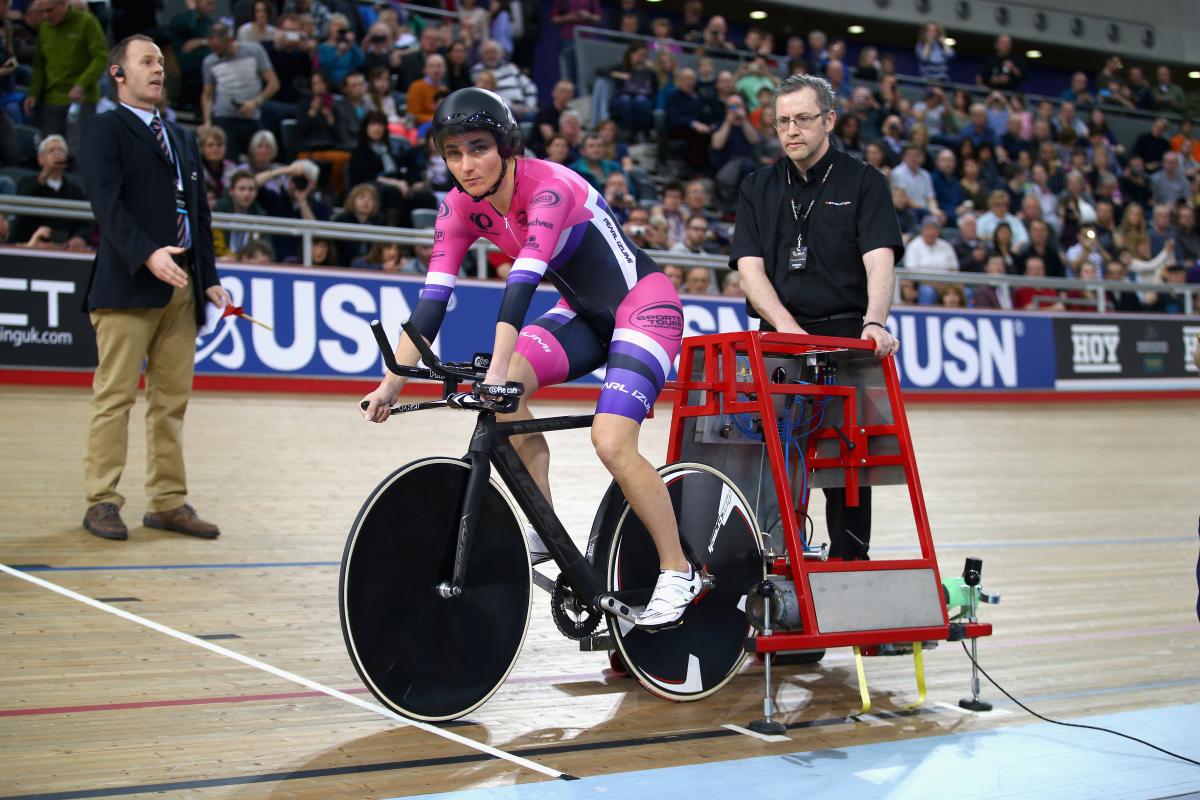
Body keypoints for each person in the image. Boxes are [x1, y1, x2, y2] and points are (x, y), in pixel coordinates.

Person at [359, 88, 695, 628]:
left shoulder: (548, 187)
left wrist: (495, 371)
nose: (466, 166)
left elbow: (521, 283)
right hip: (582, 312)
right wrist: (391, 382)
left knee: (609, 441)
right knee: (508, 385)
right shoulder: (457, 207)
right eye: (453, 154)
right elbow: (432, 300)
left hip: (644, 306)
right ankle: (545, 520)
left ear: (506, 145)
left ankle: (678, 569)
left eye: (478, 148)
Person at [730, 74, 902, 561]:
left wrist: (874, 322)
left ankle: (850, 560)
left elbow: (879, 257)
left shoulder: (864, 181)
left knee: (850, 464)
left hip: (847, 338)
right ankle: (773, 560)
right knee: (772, 457)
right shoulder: (757, 186)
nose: (791, 130)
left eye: (802, 119)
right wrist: (787, 330)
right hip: (781, 339)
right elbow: (749, 268)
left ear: (828, 120)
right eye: (782, 121)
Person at [78, 35, 230, 541]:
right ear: (118, 73)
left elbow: (200, 213)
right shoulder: (104, 129)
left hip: (182, 286)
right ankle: (101, 500)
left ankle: (166, 501)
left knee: (171, 402)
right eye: (147, 61)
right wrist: (147, 252)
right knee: (115, 397)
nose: (159, 69)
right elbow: (108, 205)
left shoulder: (181, 136)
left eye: (162, 62)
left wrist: (209, 279)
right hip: (127, 283)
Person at [23, 0, 107, 155]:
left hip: (82, 99)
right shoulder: (45, 27)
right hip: (52, 98)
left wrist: (81, 84)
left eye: (50, 10)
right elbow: (39, 65)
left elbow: (100, 57)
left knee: (77, 150)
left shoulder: (87, 22)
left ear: (63, 4)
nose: (46, 15)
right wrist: (33, 93)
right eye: (42, 11)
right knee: (52, 150)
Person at [201, 23, 280, 162]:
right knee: (229, 161)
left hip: (251, 115)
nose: (216, 53)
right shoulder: (209, 62)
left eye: (219, 49)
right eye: (213, 49)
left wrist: (255, 103)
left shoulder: (254, 51)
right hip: (224, 117)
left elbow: (274, 84)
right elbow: (207, 94)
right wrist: (207, 121)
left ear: (230, 41)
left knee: (260, 156)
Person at [10, 134, 92, 249]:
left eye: (61, 151)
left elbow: (86, 223)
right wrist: (44, 177)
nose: (57, 154)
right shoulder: (26, 183)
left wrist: (79, 238)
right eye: (52, 150)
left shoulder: (75, 190)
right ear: (40, 158)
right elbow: (20, 216)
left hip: (64, 249)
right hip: (31, 246)